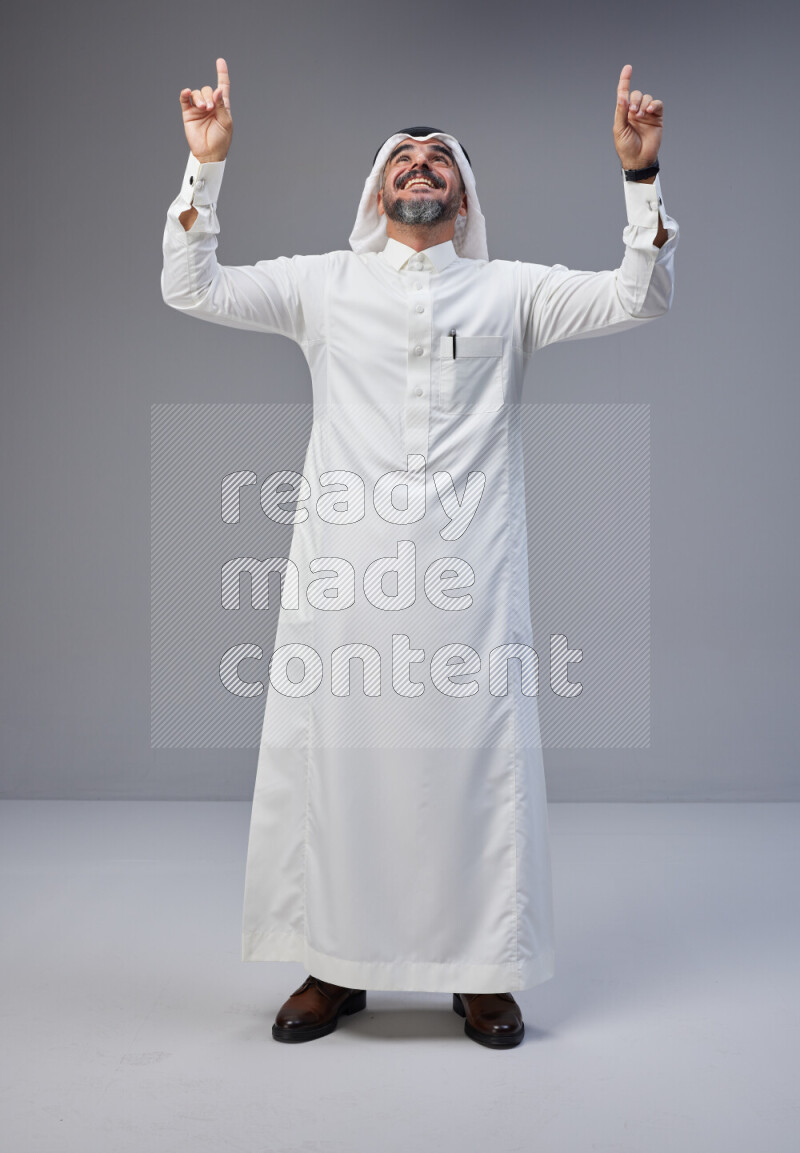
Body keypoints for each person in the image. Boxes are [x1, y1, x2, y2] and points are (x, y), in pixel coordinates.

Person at [161, 59, 678, 1050]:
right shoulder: (323, 285)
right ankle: (332, 965)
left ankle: (481, 973)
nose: (421, 166)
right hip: (344, 579)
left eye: (440, 160)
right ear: (374, 190)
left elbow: (637, 297)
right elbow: (190, 286)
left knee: (472, 768)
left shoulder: (508, 293)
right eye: (403, 157)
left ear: (464, 198)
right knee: (343, 768)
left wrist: (638, 182)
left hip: (469, 583)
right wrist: (205, 168)